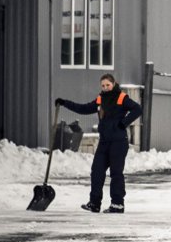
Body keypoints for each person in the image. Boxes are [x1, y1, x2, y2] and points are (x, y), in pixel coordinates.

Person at [56, 73, 142, 214]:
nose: (105, 88)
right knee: (96, 171)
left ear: (113, 84)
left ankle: (117, 204)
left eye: (108, 85)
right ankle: (94, 203)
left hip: (118, 142)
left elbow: (137, 109)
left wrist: (123, 123)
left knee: (116, 173)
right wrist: (65, 103)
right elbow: (84, 108)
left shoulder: (122, 98)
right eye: (103, 85)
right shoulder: (100, 99)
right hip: (104, 142)